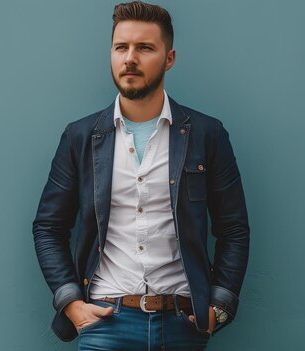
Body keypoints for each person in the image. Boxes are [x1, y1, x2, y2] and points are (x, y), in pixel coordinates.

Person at [32, 1, 250, 350]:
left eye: (144, 48)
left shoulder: (207, 134)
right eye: (122, 47)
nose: (130, 57)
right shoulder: (81, 137)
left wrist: (219, 307)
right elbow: (48, 227)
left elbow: (234, 228)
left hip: (183, 325)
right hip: (105, 323)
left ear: (169, 58)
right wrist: (71, 303)